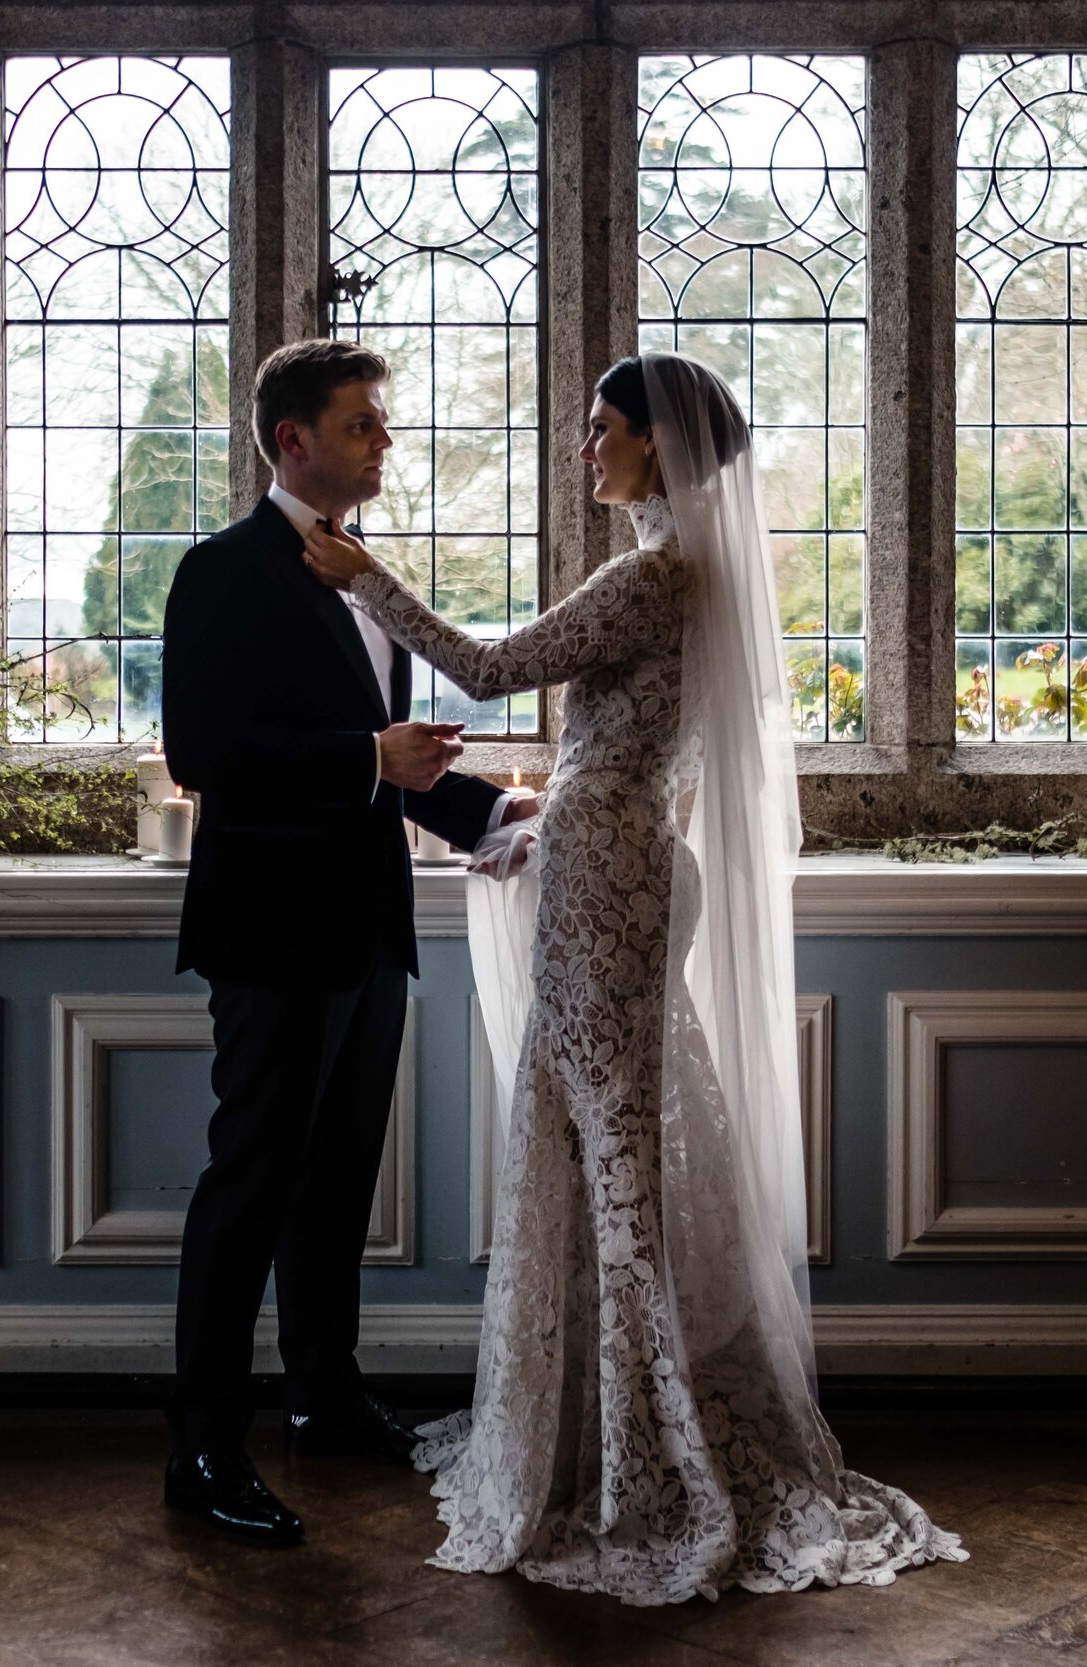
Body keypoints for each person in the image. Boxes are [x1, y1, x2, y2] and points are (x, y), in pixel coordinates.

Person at [298, 352, 967, 1603]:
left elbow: (492, 667)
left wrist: (365, 578)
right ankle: (595, 1424)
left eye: (598, 428)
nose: (582, 448)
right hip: (610, 847)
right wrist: (558, 803)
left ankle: (638, 1450)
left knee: (611, 1139)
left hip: (607, 873)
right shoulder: (689, 575)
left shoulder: (656, 573)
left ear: (655, 445)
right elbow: (629, 738)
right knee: (602, 1124)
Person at [158, 338, 536, 1546]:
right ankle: (204, 1448)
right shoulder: (221, 572)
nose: (385, 440)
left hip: (370, 933)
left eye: (383, 422)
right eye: (364, 422)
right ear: (292, 440)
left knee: (332, 1192)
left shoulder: (360, 573)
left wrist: (499, 816)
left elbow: (388, 759)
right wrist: (365, 758)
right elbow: (203, 758)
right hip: (271, 934)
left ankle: (322, 1396)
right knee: (248, 1189)